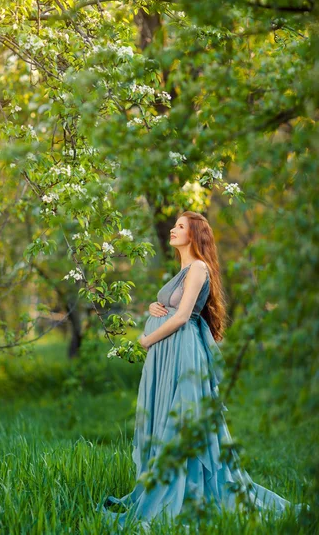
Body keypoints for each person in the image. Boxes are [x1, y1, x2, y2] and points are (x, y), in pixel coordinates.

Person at [97, 211, 309, 531]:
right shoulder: (182, 269)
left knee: (183, 418)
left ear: (194, 234)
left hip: (183, 353)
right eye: (174, 225)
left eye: (180, 226)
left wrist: (145, 340)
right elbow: (173, 307)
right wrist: (155, 308)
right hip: (170, 353)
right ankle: (165, 480)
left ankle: (187, 488)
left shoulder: (197, 267)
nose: (172, 229)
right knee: (168, 415)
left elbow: (183, 316)